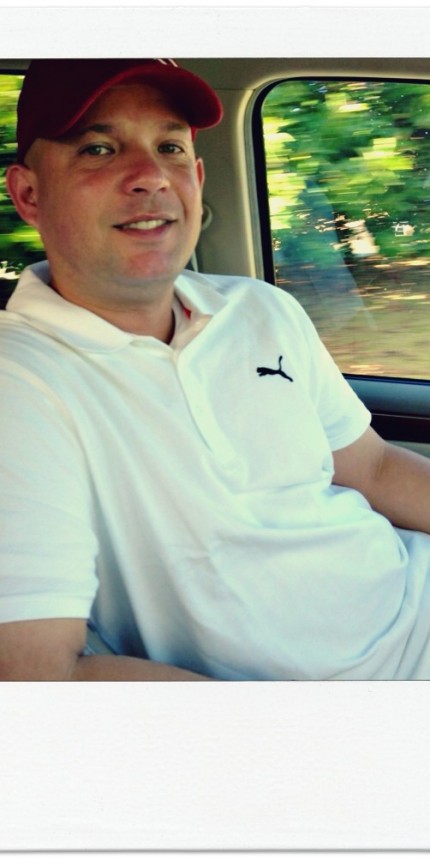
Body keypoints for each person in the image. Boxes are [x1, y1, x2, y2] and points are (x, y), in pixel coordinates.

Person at [1, 59, 430, 682]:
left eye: (170, 147)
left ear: (197, 178)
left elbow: (375, 468)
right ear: (29, 195)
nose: (151, 175)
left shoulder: (261, 308)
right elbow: (41, 673)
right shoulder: (20, 380)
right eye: (98, 149)